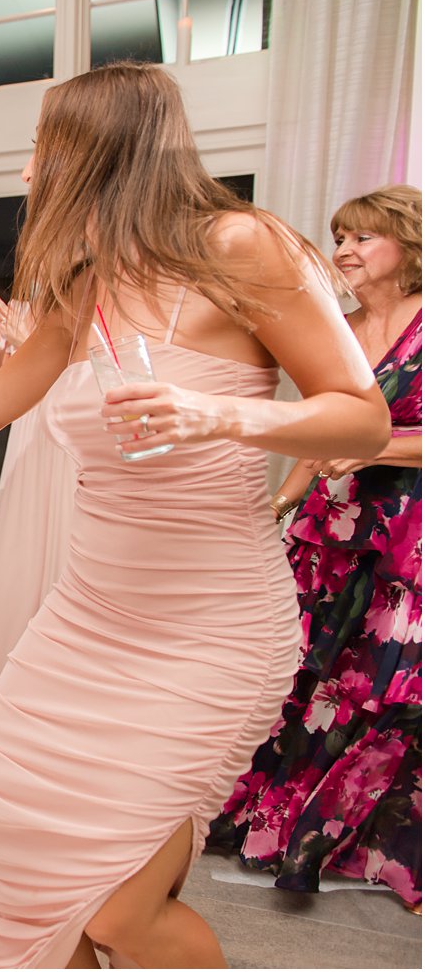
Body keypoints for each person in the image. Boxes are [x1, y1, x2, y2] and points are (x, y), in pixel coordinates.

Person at [0, 63, 391, 968]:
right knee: (10, 825)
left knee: (120, 908)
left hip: (210, 627)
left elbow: (364, 414)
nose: (27, 171)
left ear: (99, 150)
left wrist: (224, 414)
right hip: (88, 620)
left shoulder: (244, 247)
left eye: (42, 147)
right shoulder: (80, 281)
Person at [210, 184, 422, 910]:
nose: (344, 251)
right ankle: (281, 818)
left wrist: (377, 447)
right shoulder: (340, 327)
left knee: (382, 690)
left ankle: (356, 836)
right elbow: (318, 425)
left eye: (363, 237)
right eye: (339, 237)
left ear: (408, 244)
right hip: (326, 529)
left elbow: (369, 435)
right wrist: (279, 499)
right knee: (307, 678)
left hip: (402, 538)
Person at [0, 296, 76, 768]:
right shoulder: (29, 302)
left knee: (57, 576)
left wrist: (29, 343)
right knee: (16, 579)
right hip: (27, 447)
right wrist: (0, 350)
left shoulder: (91, 300)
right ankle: (4, 714)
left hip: (65, 448)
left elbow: (97, 388)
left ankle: (49, 724)